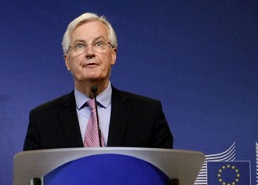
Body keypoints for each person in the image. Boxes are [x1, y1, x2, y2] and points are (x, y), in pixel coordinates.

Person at [23, 12, 173, 151]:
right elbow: (32, 172)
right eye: (80, 46)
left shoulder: (148, 114)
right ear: (67, 61)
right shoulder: (42, 120)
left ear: (113, 55)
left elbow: (166, 170)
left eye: (99, 44)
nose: (90, 53)